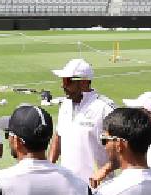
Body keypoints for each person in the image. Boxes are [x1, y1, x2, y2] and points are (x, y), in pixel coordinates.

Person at [49, 58, 116, 186]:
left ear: (84, 83)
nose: (63, 85)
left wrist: (104, 171)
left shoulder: (105, 108)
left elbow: (123, 149)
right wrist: (49, 167)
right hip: (68, 186)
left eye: (67, 81)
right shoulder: (65, 105)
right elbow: (58, 137)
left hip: (97, 189)